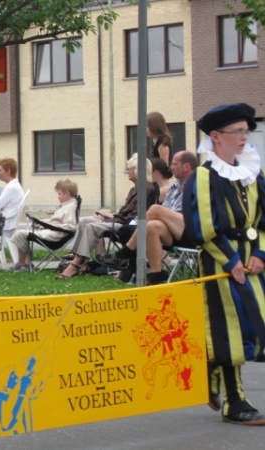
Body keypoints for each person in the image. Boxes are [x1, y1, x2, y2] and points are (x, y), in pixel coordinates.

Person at [183, 103, 265, 425]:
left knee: (253, 323)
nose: (245, 137)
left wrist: (259, 253)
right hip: (220, 261)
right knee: (230, 329)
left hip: (251, 261)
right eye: (238, 131)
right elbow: (202, 226)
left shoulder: (252, 173)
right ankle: (235, 401)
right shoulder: (204, 175)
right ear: (216, 137)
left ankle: (211, 363)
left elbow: (261, 221)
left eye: (246, 130)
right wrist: (230, 259)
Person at [95, 151, 198, 284]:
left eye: (174, 164)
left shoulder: (198, 184)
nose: (171, 167)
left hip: (193, 231)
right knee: (151, 226)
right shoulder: (174, 188)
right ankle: (156, 276)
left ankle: (123, 254)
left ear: (186, 166)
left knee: (155, 209)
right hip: (174, 232)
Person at [57, 154, 157, 279]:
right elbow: (124, 213)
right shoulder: (134, 190)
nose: (127, 171)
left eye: (130, 168)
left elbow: (135, 217)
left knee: (92, 226)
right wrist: (109, 217)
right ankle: (77, 256)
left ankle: (75, 265)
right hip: (121, 221)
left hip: (129, 227)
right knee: (85, 221)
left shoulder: (147, 189)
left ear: (138, 170)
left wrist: (110, 217)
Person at [10, 179, 78, 273]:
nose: (58, 197)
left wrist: (48, 225)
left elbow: (71, 227)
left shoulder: (70, 207)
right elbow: (58, 222)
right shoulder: (67, 205)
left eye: (59, 194)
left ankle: (22, 265)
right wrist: (44, 223)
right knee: (23, 234)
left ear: (67, 193)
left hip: (55, 237)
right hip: (53, 233)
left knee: (21, 234)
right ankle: (26, 264)